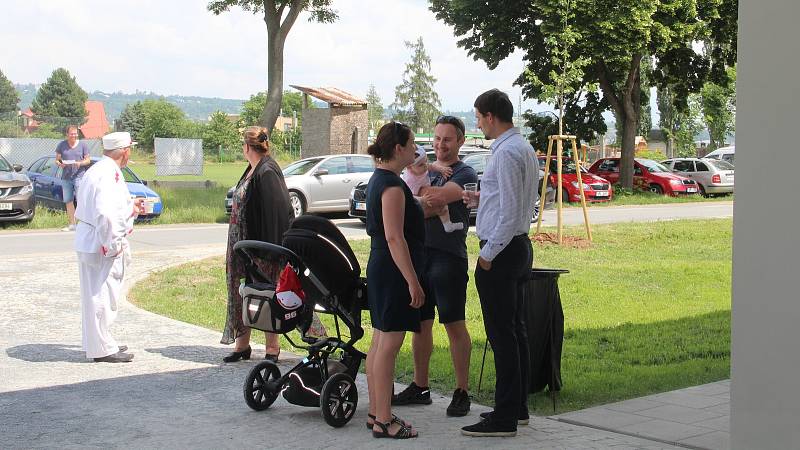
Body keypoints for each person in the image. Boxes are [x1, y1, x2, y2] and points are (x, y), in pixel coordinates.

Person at [460, 89, 538, 437]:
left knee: (502, 336)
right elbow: (518, 200)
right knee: (515, 332)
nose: (477, 123)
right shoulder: (523, 147)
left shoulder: (506, 153)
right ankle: (517, 407)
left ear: (491, 116)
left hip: (503, 252)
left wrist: (487, 255)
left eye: (478, 117)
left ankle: (504, 417)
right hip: (519, 247)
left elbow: (508, 214)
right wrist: (482, 196)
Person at [391, 115, 478, 418]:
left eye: (448, 139)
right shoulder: (423, 167)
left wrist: (420, 202)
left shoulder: (465, 171)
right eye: (437, 139)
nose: (441, 145)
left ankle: (462, 390)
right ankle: (420, 386)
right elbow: (412, 205)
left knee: (453, 324)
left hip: (448, 258)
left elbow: (437, 197)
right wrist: (422, 203)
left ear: (461, 141)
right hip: (419, 257)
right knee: (420, 324)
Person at [364, 121, 424, 439]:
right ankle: (385, 419)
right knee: (389, 344)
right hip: (392, 270)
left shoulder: (383, 179)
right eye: (412, 143)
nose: (416, 149)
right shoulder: (391, 186)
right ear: (398, 148)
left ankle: (377, 412)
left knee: (379, 342)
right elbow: (394, 237)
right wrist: (413, 281)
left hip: (383, 268)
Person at [221, 126, 293, 363]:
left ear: (247, 147)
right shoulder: (253, 169)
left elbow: (276, 214)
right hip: (243, 246)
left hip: (260, 249)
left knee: (265, 293)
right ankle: (242, 345)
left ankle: (272, 348)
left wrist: (264, 253)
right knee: (244, 292)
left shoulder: (268, 171)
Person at [74, 131, 143, 363]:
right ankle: (102, 347)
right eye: (130, 149)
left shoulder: (100, 169)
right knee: (101, 294)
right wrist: (111, 243)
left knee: (96, 293)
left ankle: (98, 340)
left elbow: (110, 208)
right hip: (100, 240)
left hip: (93, 236)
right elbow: (105, 213)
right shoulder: (107, 174)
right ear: (124, 151)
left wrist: (130, 206)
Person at [400, 145, 462, 233]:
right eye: (421, 165)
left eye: (426, 161)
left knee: (442, 207)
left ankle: (448, 225)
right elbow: (409, 196)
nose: (425, 165)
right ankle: (446, 225)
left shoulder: (420, 167)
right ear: (409, 167)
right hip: (418, 201)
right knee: (441, 205)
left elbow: (431, 166)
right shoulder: (410, 180)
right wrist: (421, 199)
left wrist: (442, 169)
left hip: (425, 195)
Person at [56, 125, 91, 231]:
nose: (74, 135)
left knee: (81, 200)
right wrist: (60, 164)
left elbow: (88, 160)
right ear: (67, 134)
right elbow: (57, 160)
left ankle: (83, 224)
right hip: (66, 177)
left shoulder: (83, 145)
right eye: (71, 133)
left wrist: (80, 163)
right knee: (68, 200)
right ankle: (72, 224)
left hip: (79, 176)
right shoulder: (61, 145)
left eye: (75, 133)